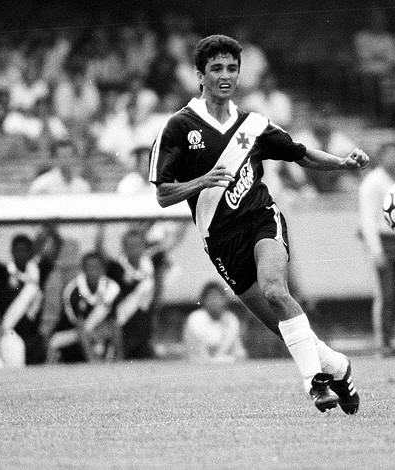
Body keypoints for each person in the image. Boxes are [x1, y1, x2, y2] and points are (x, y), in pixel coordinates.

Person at [149, 34, 369, 414]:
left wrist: (341, 163)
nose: (225, 76)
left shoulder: (253, 125)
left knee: (274, 290)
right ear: (200, 75)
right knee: (282, 329)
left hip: (262, 219)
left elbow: (300, 155)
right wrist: (200, 181)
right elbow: (163, 194)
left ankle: (315, 384)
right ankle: (337, 366)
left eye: (232, 68)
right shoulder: (179, 127)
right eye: (216, 68)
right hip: (221, 242)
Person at [358, 141, 395, 356]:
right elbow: (367, 218)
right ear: (381, 157)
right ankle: (383, 342)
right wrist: (376, 250)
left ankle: (390, 339)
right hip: (382, 240)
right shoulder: (372, 181)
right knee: (385, 294)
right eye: (389, 154)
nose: (394, 158)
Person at [47, 252, 121, 363]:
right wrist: (92, 360)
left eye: (96, 267)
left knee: (108, 333)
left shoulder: (112, 288)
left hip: (95, 334)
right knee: (56, 343)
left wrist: (120, 357)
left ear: (103, 269)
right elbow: (80, 328)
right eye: (89, 267)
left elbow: (114, 323)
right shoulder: (73, 291)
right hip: (69, 335)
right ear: (82, 269)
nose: (93, 271)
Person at [103, 228, 156, 360]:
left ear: (144, 246)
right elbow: (114, 314)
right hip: (122, 330)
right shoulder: (116, 268)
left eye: (138, 245)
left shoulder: (150, 266)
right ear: (124, 248)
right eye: (130, 246)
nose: (134, 249)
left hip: (143, 331)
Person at [0, 235, 48, 366]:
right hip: (8, 332)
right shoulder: (2, 272)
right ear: (12, 252)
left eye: (25, 250)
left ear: (31, 252)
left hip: (33, 336)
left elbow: (52, 252)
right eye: (17, 250)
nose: (21, 254)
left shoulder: (39, 271)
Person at [183, 281, 247, 362]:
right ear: (203, 301)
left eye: (217, 297)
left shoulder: (231, 319)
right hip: (199, 364)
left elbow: (239, 351)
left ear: (225, 299)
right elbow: (205, 351)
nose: (214, 302)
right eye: (210, 298)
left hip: (225, 364)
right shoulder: (196, 318)